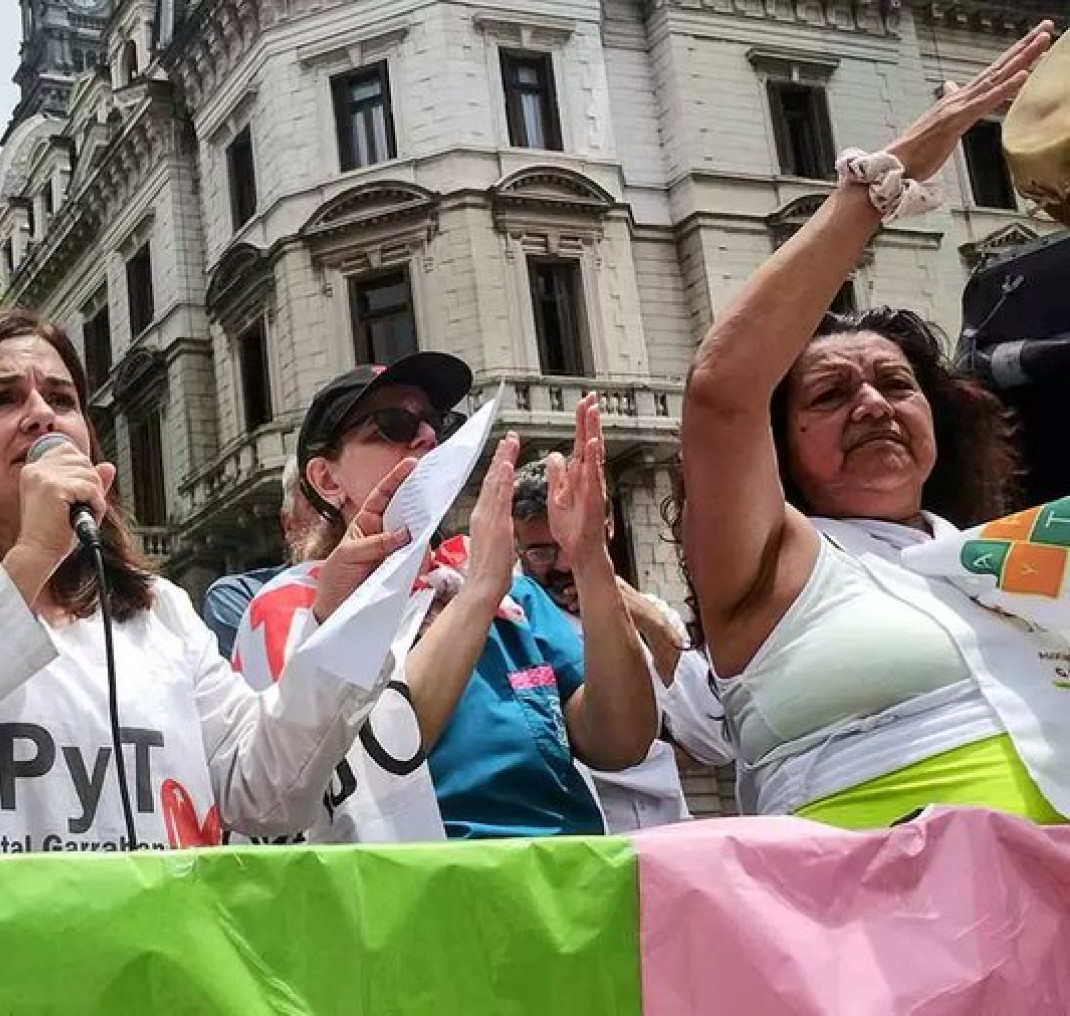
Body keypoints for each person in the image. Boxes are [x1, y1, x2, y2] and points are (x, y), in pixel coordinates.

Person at [0, 307, 419, 856]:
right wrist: (30, 560)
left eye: (61, 399)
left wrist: (341, 617)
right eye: (1, 398)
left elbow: (264, 791)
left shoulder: (156, 609)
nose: (40, 416)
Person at [677, 23, 1067, 828]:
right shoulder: (774, 564)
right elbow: (722, 390)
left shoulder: (1016, 553)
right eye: (829, 395)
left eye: (897, 383)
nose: (874, 404)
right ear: (778, 447)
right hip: (875, 930)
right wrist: (886, 179)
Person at [235, 352, 658, 840]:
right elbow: (358, 769)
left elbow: (622, 742)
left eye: (439, 424)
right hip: (418, 897)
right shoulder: (291, 606)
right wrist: (478, 595)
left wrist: (589, 560)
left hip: (563, 887)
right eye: (393, 424)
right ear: (328, 480)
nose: (428, 437)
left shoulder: (507, 588)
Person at [511, 462, 733, 831]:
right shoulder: (510, 625)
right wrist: (657, 749)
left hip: (665, 834)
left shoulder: (650, 612)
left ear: (608, 528)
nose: (565, 564)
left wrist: (654, 626)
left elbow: (716, 743)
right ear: (517, 547)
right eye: (542, 553)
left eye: (574, 542)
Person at [201, 456, 316, 660]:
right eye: (315, 503)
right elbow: (274, 684)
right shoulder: (239, 597)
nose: (331, 514)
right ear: (288, 524)